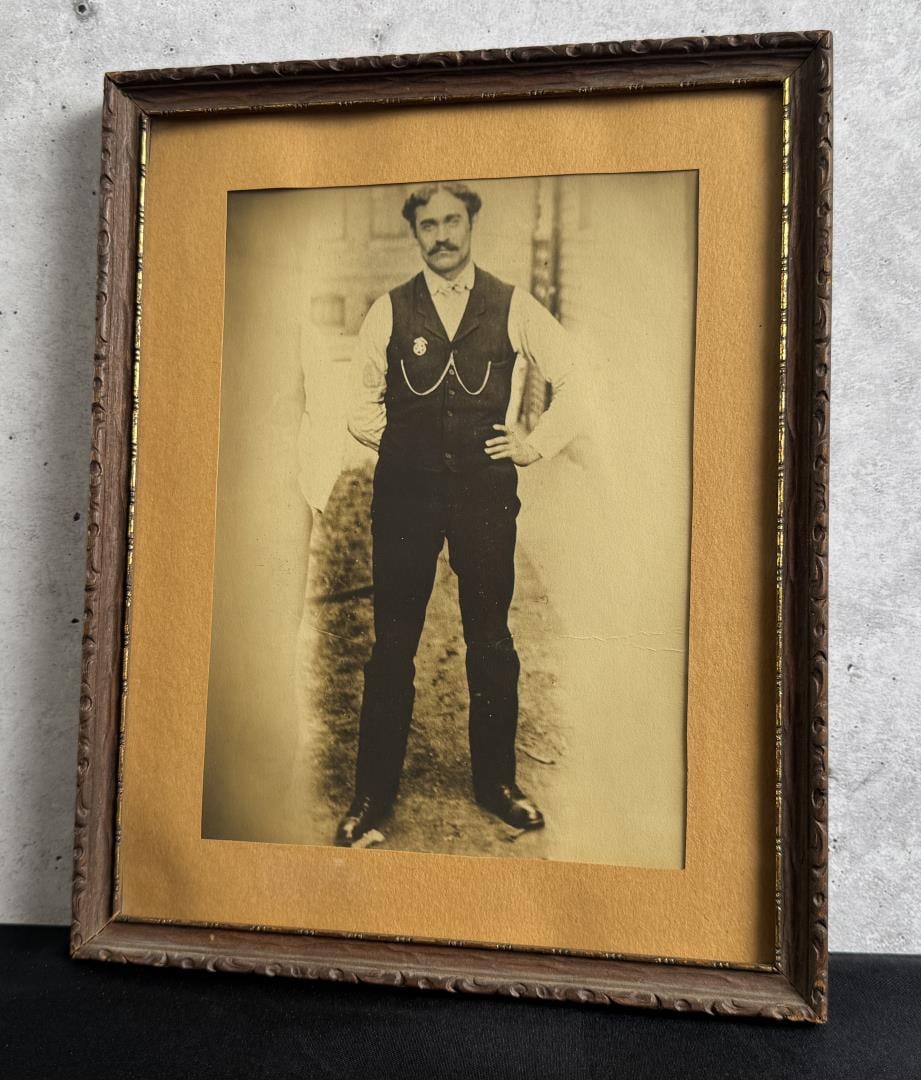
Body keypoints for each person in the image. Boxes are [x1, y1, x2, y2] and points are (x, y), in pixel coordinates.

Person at [336, 180, 580, 847]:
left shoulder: (512, 304)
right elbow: (357, 404)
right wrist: (404, 443)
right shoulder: (388, 311)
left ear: (470, 223)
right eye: (427, 226)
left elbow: (578, 377)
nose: (441, 236)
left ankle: (496, 784)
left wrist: (531, 445)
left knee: (491, 640)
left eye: (452, 221)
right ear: (413, 233)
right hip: (404, 497)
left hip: (484, 496)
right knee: (391, 646)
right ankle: (372, 794)